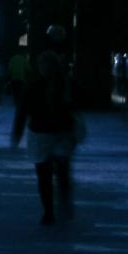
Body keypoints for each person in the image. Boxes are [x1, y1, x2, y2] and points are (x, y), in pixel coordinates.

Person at [12, 51, 83, 224]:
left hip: (58, 133)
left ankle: (54, 208)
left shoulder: (62, 84)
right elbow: (23, 111)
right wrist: (17, 131)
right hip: (44, 134)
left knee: (55, 172)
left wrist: (18, 133)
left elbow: (22, 111)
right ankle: (50, 209)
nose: (44, 69)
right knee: (46, 174)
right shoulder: (38, 85)